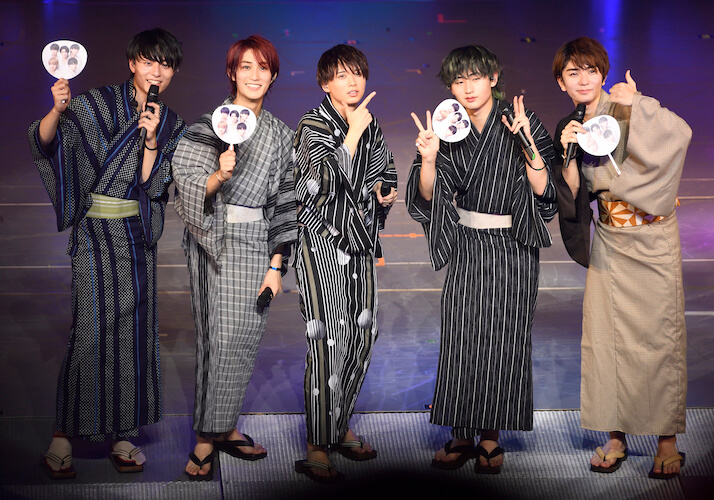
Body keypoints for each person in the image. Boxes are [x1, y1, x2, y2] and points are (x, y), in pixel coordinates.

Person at [28, 28, 186, 479]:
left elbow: (153, 185)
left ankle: (122, 433)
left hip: (136, 237)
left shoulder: (170, 123)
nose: (156, 71)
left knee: (133, 337)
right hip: (95, 233)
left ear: (173, 72)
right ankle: (62, 435)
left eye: (166, 64)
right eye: (149, 61)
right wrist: (57, 111)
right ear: (133, 63)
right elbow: (46, 144)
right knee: (89, 333)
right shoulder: (94, 104)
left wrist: (151, 140)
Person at [405, 44, 557, 474]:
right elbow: (428, 196)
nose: (468, 88)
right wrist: (429, 159)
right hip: (468, 243)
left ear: (493, 78)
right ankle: (460, 432)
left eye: (476, 78)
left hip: (513, 245)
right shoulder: (447, 126)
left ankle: (491, 434)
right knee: (461, 334)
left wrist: (527, 143)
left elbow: (545, 192)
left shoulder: (520, 120)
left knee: (505, 338)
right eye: (459, 81)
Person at [552, 36, 691, 480]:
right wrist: (566, 152)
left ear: (603, 75)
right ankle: (615, 436)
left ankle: (666, 440)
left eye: (591, 70)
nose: (583, 80)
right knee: (606, 340)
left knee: (659, 339)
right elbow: (572, 195)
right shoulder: (571, 125)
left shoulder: (627, 106)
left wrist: (640, 103)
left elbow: (679, 136)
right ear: (561, 83)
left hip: (652, 238)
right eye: (573, 73)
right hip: (611, 240)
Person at [172, 34, 297, 481]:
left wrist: (276, 266)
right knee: (218, 339)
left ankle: (221, 427)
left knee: (242, 339)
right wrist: (218, 176)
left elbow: (286, 202)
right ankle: (207, 437)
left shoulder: (281, 135)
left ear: (273, 75)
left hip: (257, 243)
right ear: (232, 73)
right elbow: (186, 182)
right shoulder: (209, 125)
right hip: (214, 238)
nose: (255, 75)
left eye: (263, 67)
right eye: (246, 67)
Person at [293, 44, 397, 483]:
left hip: (360, 243)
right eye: (341, 75)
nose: (352, 82)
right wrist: (351, 135)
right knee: (326, 340)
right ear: (324, 84)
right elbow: (314, 185)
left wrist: (385, 194)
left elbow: (385, 171)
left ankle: (339, 425)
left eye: (357, 73)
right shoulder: (312, 125)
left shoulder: (370, 122)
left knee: (362, 333)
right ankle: (318, 443)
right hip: (321, 243)